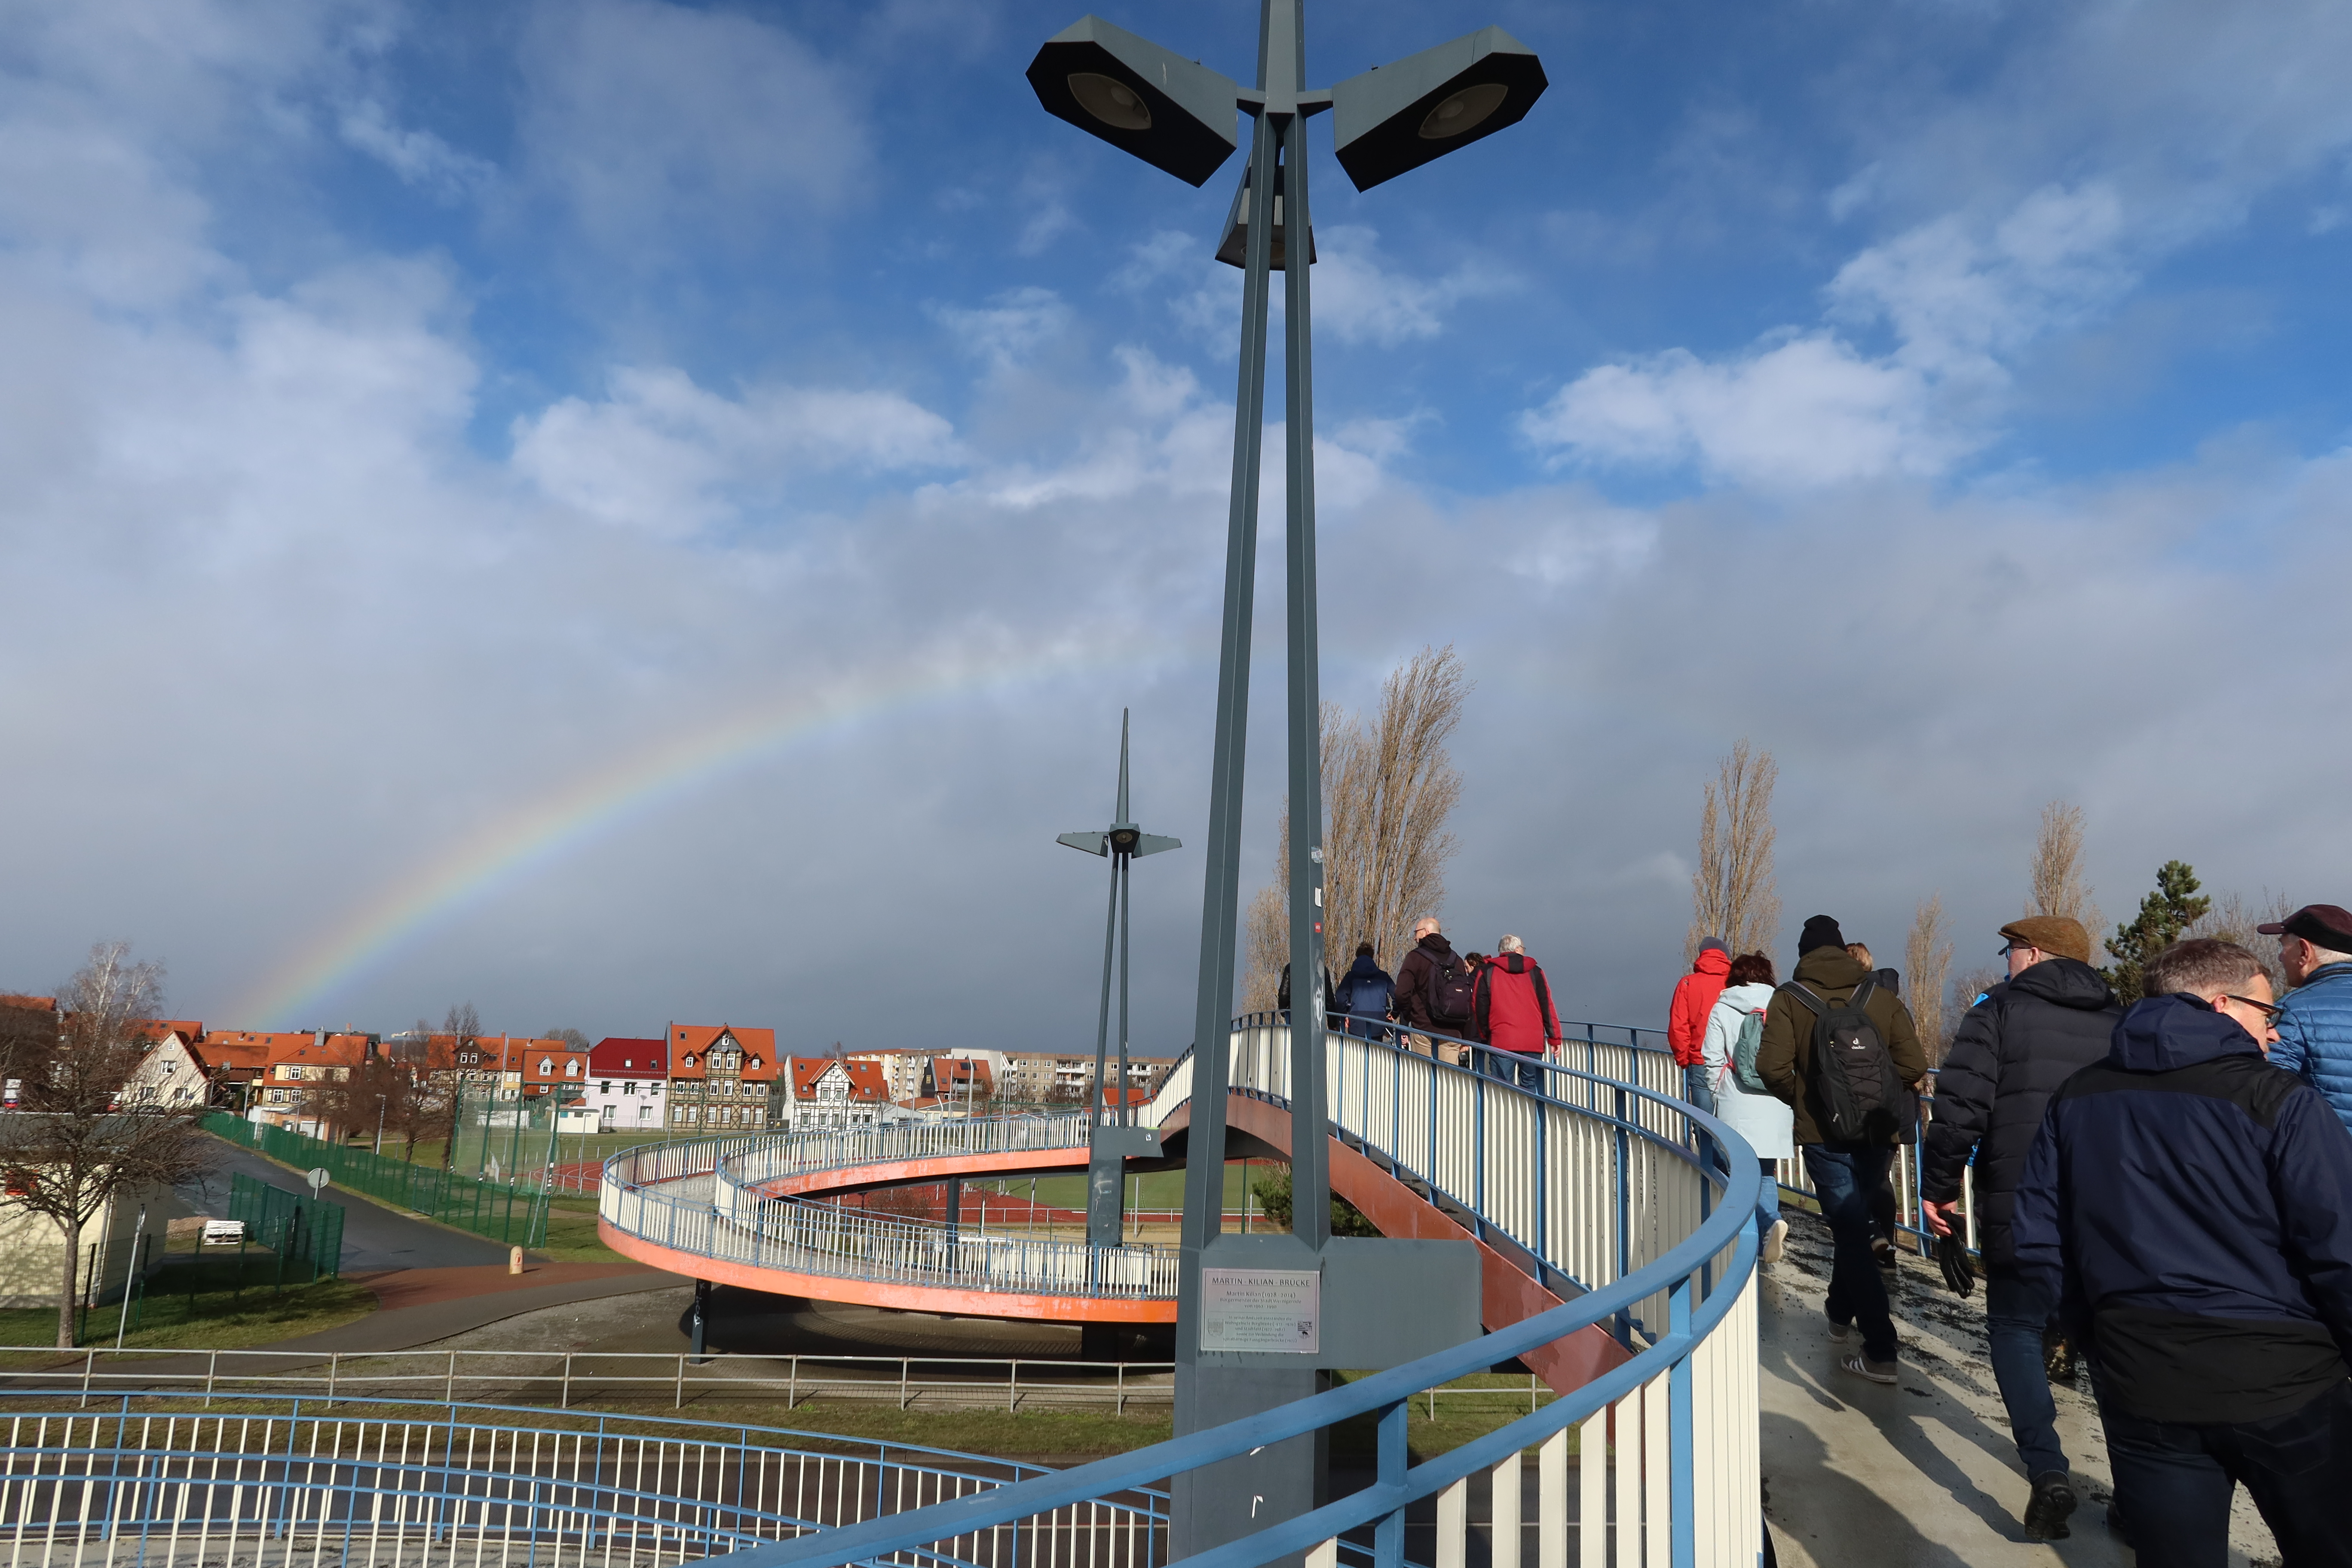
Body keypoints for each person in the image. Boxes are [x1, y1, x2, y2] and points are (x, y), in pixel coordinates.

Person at [2012, 938, 2352, 1563]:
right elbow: (2341, 1248)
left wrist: (2099, 1336)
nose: (2273, 1035)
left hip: (2144, 1379)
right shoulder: (2280, 1102)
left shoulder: (2077, 1098)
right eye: (2266, 1015)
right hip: (2286, 1385)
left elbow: (2040, 1239)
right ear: (2223, 1004)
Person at [1919, 915, 2120, 1540]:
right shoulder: (2125, 1019)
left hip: (2022, 1201)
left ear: (2034, 954)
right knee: (2109, 1344)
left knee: (2014, 1327)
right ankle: (2139, 1489)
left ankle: (2048, 1469)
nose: (2005, 960)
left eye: (2009, 950)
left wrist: (1939, 1189)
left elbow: (1959, 1106)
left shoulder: (1998, 1012)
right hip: (2106, 1210)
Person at [1755, 915, 1929, 1385]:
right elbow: (1914, 1063)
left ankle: (1880, 1349)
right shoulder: (1880, 996)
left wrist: (1806, 1099)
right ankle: (1837, 1313)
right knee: (1854, 1226)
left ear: (1803, 953)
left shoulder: (1791, 998)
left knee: (1850, 1233)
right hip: (1877, 1134)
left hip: (1823, 1137)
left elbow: (1770, 1067)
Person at [1701, 951, 1792, 1263]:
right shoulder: (1783, 1006)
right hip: (1777, 1100)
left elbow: (1711, 1058)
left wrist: (1717, 1091)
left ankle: (1761, 1230)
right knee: (1766, 1171)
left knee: (1739, 1173)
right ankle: (1770, 1225)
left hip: (1736, 1100)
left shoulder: (1722, 1007)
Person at [2260, 902, 2352, 1133]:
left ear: (2304, 951)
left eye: (2283, 947)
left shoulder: (2291, 1012)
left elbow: (2266, 1101)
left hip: (2333, 1162)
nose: (2281, 958)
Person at [1847, 941, 1911, 1272]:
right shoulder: (1894, 1003)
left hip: (1858, 1105)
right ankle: (1886, 1244)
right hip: (1894, 1106)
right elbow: (1914, 1061)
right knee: (1881, 1178)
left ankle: (1868, 1241)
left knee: (1854, 1178)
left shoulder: (1851, 1006)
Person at [1471, 935, 1562, 1092]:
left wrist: (1485, 1035)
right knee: (1530, 1088)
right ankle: (1530, 1116)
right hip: (1532, 1041)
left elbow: (1479, 1007)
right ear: (1518, 950)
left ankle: (1504, 1117)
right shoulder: (1536, 972)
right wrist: (1555, 1038)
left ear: (1501, 952)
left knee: (1502, 1090)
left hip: (1501, 1040)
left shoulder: (1488, 972)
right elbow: (1547, 1005)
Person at [1670, 938, 1733, 1112]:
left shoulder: (1688, 984)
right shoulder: (1735, 983)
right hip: (1733, 1061)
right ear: (1726, 956)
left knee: (1705, 1122)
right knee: (1731, 1122)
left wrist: (1684, 1059)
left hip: (1700, 1060)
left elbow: (1679, 1026)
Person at [1396, 917, 1476, 1050]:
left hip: (1424, 1030)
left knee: (1422, 1070)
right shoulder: (1457, 960)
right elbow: (1466, 999)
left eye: (1416, 933)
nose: (1415, 938)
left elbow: (1401, 993)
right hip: (1453, 1033)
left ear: (1426, 932)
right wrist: (1466, 1036)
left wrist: (1410, 1015)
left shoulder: (1415, 957)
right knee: (1447, 1071)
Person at [1335, 942, 1396, 1041]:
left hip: (1356, 1023)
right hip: (1378, 1024)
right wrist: (1395, 1012)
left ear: (1357, 956)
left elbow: (1340, 996)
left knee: (1356, 1054)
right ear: (1372, 957)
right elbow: (1398, 995)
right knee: (1376, 1054)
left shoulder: (1351, 976)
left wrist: (1343, 1016)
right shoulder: (1383, 976)